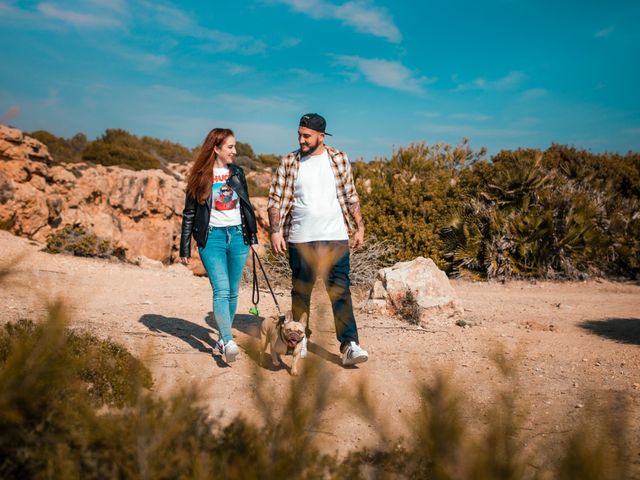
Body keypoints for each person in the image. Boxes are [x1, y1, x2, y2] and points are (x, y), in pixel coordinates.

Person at [267, 113, 369, 366]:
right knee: (301, 292)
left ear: (321, 137)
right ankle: (299, 341)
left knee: (340, 291)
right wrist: (275, 230)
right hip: (301, 239)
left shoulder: (339, 159)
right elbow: (275, 200)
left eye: (307, 136)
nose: (301, 140)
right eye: (299, 135)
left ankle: (349, 345)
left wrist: (360, 226)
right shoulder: (290, 162)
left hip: (335, 237)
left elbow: (350, 194)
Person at [180, 128, 258, 363]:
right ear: (216, 148)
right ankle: (227, 338)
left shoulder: (237, 172)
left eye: (235, 146)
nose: (235, 151)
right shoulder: (200, 176)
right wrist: (185, 248)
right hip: (211, 238)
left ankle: (223, 340)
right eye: (230, 147)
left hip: (237, 236)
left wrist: (252, 237)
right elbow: (189, 214)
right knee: (221, 289)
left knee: (233, 292)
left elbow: (246, 205)